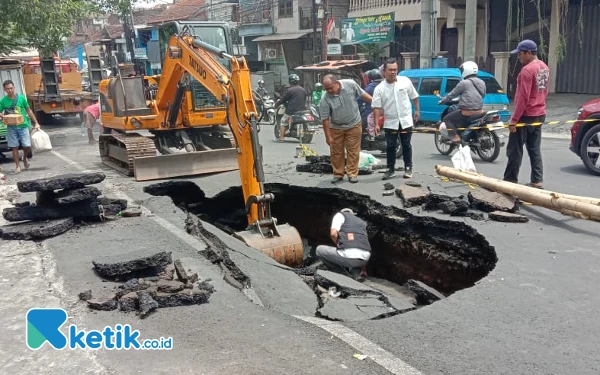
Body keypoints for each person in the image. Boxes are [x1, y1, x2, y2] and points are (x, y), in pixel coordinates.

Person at [503, 39, 549, 189]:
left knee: (515, 149)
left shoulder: (527, 71)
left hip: (526, 115)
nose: (519, 57)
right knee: (534, 148)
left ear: (529, 52)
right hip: (539, 113)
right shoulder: (544, 67)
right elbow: (544, 91)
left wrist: (514, 120)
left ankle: (510, 180)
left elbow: (523, 98)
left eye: (520, 54)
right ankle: (537, 180)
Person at [372, 58, 420, 180]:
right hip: (390, 121)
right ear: (384, 71)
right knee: (390, 146)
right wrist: (376, 124)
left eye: (395, 70)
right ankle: (390, 169)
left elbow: (414, 96)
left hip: (406, 120)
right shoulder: (379, 88)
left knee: (406, 144)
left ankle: (408, 167)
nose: (393, 72)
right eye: (390, 70)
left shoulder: (405, 81)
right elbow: (376, 107)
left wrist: (417, 111)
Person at [319, 74, 372, 184]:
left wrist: (376, 103)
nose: (329, 91)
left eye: (331, 88)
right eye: (326, 89)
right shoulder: (325, 99)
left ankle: (352, 173)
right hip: (336, 127)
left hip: (354, 123)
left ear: (336, 83)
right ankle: (338, 174)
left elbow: (363, 95)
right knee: (336, 151)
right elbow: (325, 119)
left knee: (353, 150)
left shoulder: (350, 85)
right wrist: (328, 137)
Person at [315, 208, 371, 281]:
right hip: (365, 258)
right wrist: (364, 269)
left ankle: (343, 274)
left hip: (348, 257)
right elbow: (362, 245)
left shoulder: (340, 215)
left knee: (319, 250)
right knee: (354, 254)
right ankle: (356, 274)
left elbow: (333, 234)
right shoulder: (361, 223)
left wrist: (338, 243)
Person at [438, 61, 486, 144]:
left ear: (466, 71)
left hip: (467, 112)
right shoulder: (482, 82)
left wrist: (442, 101)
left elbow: (451, 95)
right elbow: (483, 95)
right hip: (479, 111)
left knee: (447, 119)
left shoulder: (463, 83)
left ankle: (455, 137)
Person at [0, 80, 40, 173]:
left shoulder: (21, 98)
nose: (10, 90)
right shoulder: (3, 101)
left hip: (23, 125)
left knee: (27, 145)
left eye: (11, 88)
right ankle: (17, 166)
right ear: (5, 90)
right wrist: (4, 117)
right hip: (11, 127)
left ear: (14, 88)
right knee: (14, 147)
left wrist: (36, 122)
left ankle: (25, 157)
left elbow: (28, 110)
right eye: (7, 89)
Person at [274, 74, 306, 142]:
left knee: (283, 121)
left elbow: (283, 99)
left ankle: (281, 138)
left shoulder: (290, 90)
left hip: (292, 111)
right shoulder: (303, 90)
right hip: (302, 110)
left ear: (290, 81)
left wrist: (277, 104)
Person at [359, 69, 384, 139]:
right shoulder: (384, 84)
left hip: (371, 111)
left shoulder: (370, 87)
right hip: (385, 110)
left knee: (358, 126)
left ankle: (370, 135)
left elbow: (360, 99)